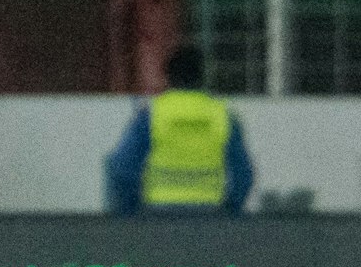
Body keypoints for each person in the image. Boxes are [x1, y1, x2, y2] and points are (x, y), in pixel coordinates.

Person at [105, 45, 255, 217]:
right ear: (202, 76)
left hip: (159, 214)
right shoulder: (223, 116)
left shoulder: (152, 115)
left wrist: (131, 210)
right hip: (210, 214)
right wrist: (230, 210)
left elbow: (122, 168)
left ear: (168, 77)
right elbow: (243, 174)